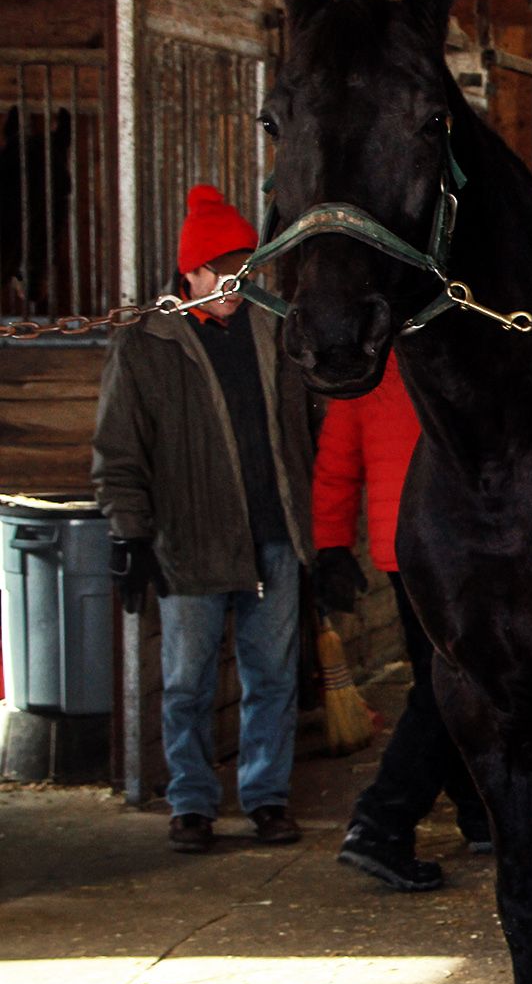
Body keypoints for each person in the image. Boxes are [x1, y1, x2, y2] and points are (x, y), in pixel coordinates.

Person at [92, 185, 315, 853]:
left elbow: (307, 429)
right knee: (186, 682)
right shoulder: (146, 343)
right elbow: (119, 450)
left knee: (272, 677)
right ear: (189, 271)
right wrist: (129, 533)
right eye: (221, 271)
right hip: (190, 540)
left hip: (274, 534)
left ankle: (267, 797)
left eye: (245, 269)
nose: (234, 284)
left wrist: (318, 530)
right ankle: (191, 801)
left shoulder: (274, 329)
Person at [314, 351, 492, 891]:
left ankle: (480, 812)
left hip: (403, 549)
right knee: (450, 686)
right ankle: (381, 822)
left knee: (449, 679)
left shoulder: (367, 364)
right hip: (456, 548)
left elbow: (336, 460)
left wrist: (332, 543)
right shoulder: (453, 352)